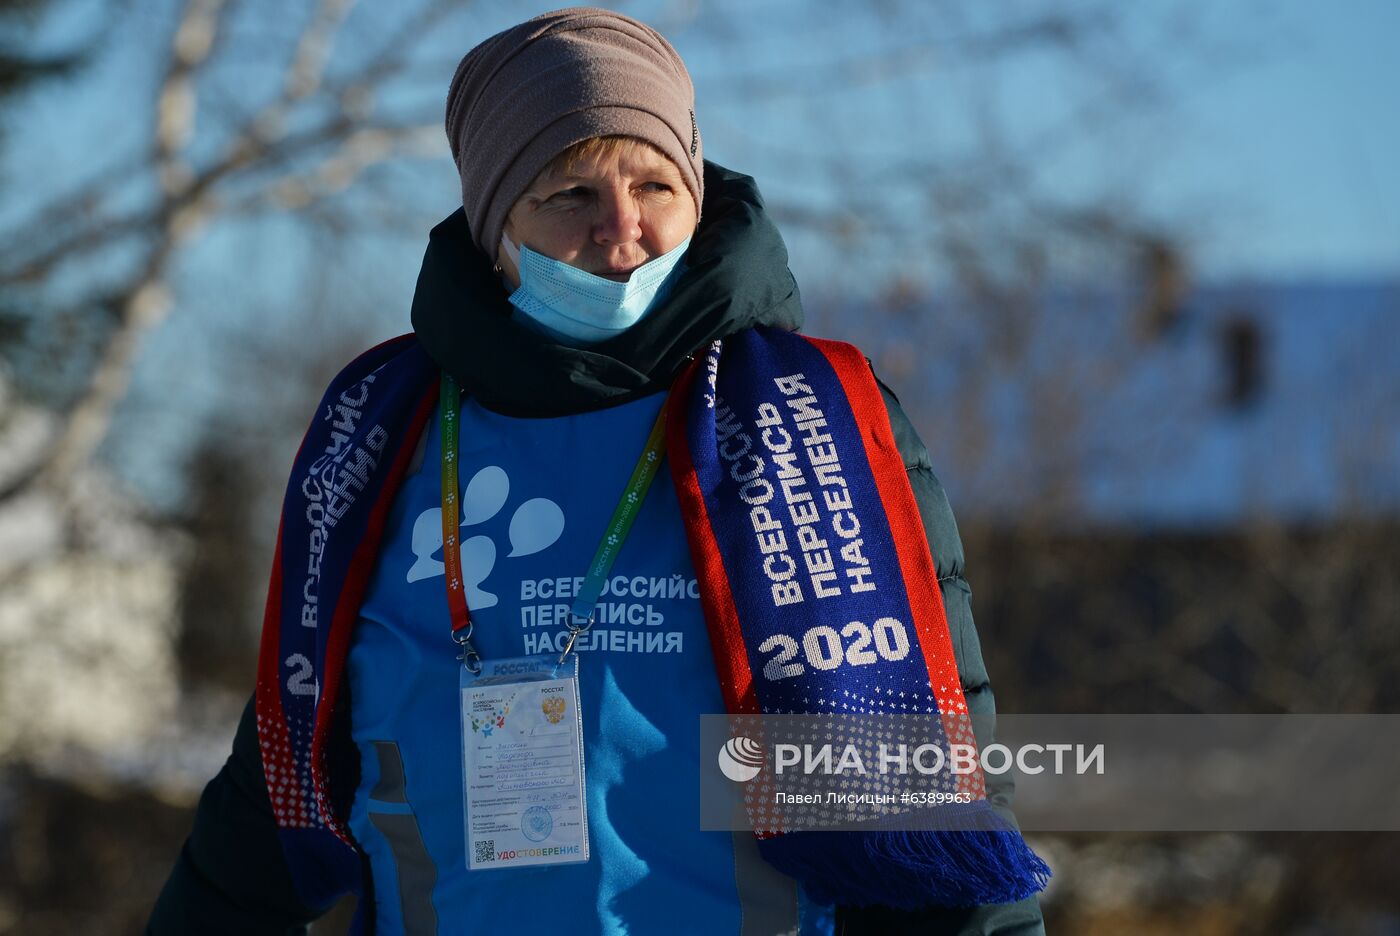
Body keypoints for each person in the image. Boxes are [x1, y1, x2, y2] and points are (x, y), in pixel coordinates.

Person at [148, 8, 1049, 935]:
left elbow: (938, 802)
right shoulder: (378, 433)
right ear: (494, 225)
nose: (622, 230)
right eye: (569, 194)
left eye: (656, 184)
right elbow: (270, 805)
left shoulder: (820, 426)